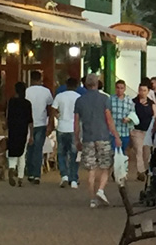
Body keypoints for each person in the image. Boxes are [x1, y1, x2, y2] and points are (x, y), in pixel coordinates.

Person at [74, 74, 122, 208]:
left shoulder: (80, 101)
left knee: (91, 169)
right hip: (103, 136)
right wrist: (116, 135)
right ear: (97, 84)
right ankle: (101, 189)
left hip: (88, 137)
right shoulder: (105, 99)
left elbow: (76, 122)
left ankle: (92, 199)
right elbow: (109, 119)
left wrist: (77, 139)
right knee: (106, 166)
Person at [25, 71, 53, 184]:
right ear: (40, 79)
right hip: (41, 122)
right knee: (38, 149)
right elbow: (50, 108)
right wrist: (50, 124)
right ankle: (36, 174)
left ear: (31, 79)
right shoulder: (46, 92)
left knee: (29, 148)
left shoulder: (27, 91)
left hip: (29, 123)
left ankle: (30, 172)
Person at [52, 77, 81, 189]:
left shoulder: (60, 96)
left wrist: (58, 116)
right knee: (74, 154)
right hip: (74, 128)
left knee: (61, 153)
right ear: (76, 85)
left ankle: (64, 175)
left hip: (61, 127)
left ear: (66, 85)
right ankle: (73, 179)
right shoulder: (78, 97)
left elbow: (53, 110)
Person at [6, 82, 33, 187]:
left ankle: (12, 168)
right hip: (23, 130)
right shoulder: (27, 103)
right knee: (22, 154)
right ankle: (20, 177)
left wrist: (6, 126)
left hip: (12, 130)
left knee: (12, 150)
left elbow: (8, 116)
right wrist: (31, 135)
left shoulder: (11, 102)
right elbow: (30, 120)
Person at [130, 81, 156, 181]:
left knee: (147, 153)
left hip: (148, 131)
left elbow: (155, 115)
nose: (142, 92)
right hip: (136, 131)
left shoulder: (151, 103)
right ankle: (141, 171)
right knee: (139, 151)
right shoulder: (133, 102)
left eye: (144, 90)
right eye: (141, 90)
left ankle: (144, 169)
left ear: (148, 91)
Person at [110, 80, 136, 154]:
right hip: (113, 132)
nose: (119, 90)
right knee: (113, 154)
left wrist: (128, 119)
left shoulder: (129, 101)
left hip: (125, 132)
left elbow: (133, 114)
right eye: (118, 88)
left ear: (124, 89)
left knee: (123, 154)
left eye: (121, 88)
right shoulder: (110, 99)